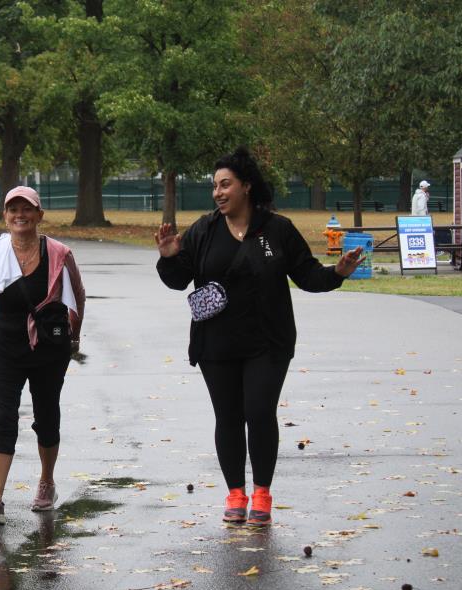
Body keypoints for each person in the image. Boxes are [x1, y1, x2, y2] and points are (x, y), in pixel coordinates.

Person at [155, 147, 364, 527]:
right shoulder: (204, 230)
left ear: (246, 186)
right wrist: (169, 257)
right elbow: (178, 280)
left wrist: (337, 272)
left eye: (225, 184)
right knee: (228, 417)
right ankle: (236, 493)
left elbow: (308, 275)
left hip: (268, 341)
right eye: (215, 186)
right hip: (216, 343)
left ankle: (262, 494)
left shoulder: (277, 229)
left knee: (259, 412)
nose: (218, 193)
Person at [0, 186, 86, 526]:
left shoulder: (59, 253)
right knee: (4, 417)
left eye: (27, 209)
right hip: (4, 346)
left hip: (48, 348)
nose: (19, 215)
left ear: (39, 215)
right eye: (13, 209)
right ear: (5, 215)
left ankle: (47, 481)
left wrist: (74, 336)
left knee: (46, 416)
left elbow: (77, 294)